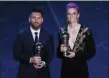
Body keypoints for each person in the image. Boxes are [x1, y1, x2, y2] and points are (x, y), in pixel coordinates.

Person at [57, 2, 96, 78]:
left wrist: (76, 54)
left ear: (78, 15)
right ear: (66, 16)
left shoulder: (86, 31)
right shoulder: (62, 31)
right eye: (69, 14)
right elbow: (59, 55)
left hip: (81, 70)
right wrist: (60, 50)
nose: (71, 16)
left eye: (74, 13)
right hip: (66, 71)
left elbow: (92, 52)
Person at [13, 8, 54, 78]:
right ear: (29, 19)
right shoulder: (21, 35)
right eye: (34, 18)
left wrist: (44, 62)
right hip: (25, 74)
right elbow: (16, 54)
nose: (36, 20)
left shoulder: (48, 36)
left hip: (43, 74)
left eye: (39, 18)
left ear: (42, 20)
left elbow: (50, 53)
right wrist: (30, 59)